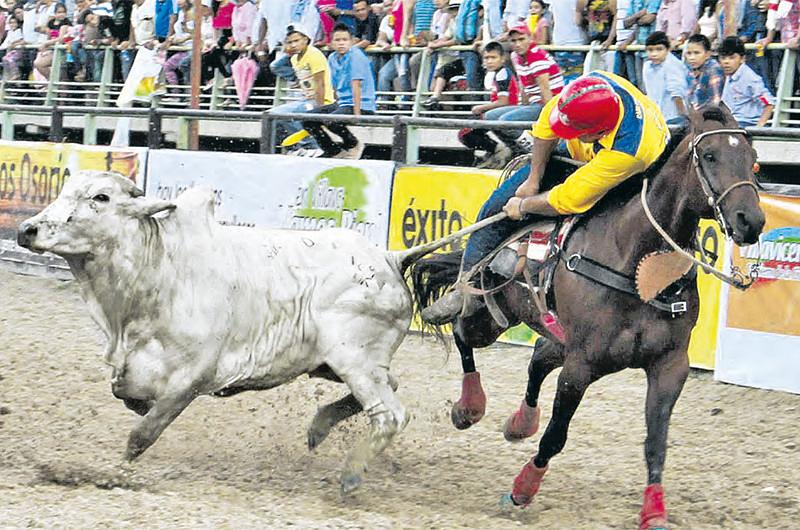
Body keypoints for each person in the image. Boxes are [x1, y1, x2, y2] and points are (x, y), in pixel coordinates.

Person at [421, 71, 669, 324]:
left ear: (596, 133)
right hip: (590, 154)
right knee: (495, 207)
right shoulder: (591, 86)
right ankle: (466, 289)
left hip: (629, 174)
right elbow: (545, 127)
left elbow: (568, 198)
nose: (565, 130)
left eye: (572, 130)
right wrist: (533, 180)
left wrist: (524, 205)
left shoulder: (630, 151)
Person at [302, 23, 376, 159]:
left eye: (345, 40)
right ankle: (333, 150)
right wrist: (331, 105)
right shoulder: (332, 58)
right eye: (337, 40)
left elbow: (356, 84)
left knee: (331, 120)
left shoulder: (356, 56)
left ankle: (352, 143)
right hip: (343, 103)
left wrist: (357, 114)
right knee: (308, 119)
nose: (341, 43)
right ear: (331, 43)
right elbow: (335, 85)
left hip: (361, 104)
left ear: (351, 41)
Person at [268, 23, 332, 156]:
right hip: (306, 99)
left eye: (296, 41)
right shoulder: (294, 58)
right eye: (290, 42)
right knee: (273, 114)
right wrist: (288, 52)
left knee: (294, 114)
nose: (293, 45)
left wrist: (320, 110)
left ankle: (312, 146)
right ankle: (293, 147)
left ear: (306, 39)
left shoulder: (313, 54)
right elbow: (275, 66)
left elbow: (321, 83)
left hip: (321, 99)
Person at [457, 40, 519, 168]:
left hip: (505, 112)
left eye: (493, 57)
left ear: (503, 59)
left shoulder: (502, 73)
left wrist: (481, 108)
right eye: (486, 58)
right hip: (501, 112)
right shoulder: (498, 74)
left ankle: (499, 150)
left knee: (465, 133)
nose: (489, 61)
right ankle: (495, 152)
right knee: (469, 130)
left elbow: (504, 102)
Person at [719, 35, 775, 127]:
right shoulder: (727, 76)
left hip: (747, 124)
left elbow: (768, 103)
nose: (726, 62)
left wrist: (759, 127)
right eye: (723, 58)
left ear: (742, 59)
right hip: (730, 123)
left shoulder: (751, 79)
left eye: (732, 57)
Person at [642, 30, 688, 124]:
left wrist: (684, 118)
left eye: (659, 49)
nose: (654, 54)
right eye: (650, 50)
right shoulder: (647, 66)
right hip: (656, 116)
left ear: (668, 49)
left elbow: (677, 94)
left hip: (673, 117)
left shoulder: (673, 65)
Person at [684, 32, 723, 109]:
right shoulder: (688, 69)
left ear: (708, 54)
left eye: (696, 53)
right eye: (689, 53)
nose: (692, 57)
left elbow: (716, 101)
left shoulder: (714, 69)